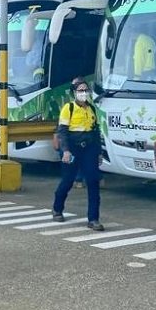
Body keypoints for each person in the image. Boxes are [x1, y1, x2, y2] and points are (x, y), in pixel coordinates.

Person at [51, 78, 104, 230]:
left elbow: (96, 131)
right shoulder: (69, 108)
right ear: (74, 92)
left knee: (93, 182)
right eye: (80, 90)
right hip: (73, 148)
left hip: (89, 148)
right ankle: (57, 209)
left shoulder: (91, 109)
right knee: (68, 180)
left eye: (85, 90)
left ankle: (93, 219)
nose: (83, 93)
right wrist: (66, 151)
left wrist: (99, 152)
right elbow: (62, 131)